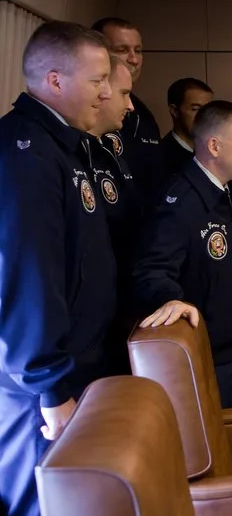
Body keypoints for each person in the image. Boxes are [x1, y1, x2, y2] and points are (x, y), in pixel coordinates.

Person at [0, 21, 118, 516]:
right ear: (53, 80)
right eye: (97, 79)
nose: (107, 92)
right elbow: (26, 280)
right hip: (39, 391)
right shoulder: (27, 154)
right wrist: (52, 390)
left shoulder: (68, 147)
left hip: (72, 371)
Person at [133, 101, 232, 408]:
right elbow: (151, 270)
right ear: (214, 146)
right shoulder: (180, 202)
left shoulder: (225, 191)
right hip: (207, 358)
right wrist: (170, 298)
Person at [87, 54, 144, 373]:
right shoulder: (62, 157)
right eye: (125, 94)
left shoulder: (108, 151)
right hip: (81, 335)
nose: (131, 105)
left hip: (116, 309)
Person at [92, 17, 162, 193]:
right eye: (122, 50)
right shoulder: (87, 112)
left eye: (138, 51)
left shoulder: (144, 114)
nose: (134, 59)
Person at [161, 77, 213, 181]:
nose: (204, 116)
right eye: (196, 109)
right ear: (174, 111)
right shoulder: (160, 157)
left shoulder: (211, 152)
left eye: (208, 110)